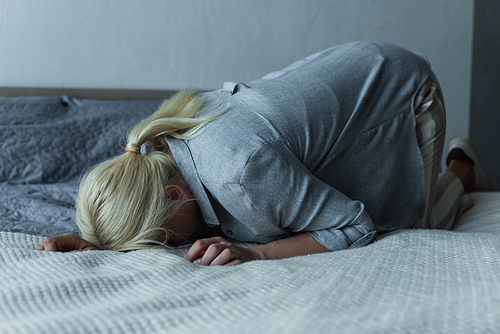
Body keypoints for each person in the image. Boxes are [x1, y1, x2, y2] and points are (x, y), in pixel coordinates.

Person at [37, 41, 493, 266]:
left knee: (413, 223)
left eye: (162, 240)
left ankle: (463, 166)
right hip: (340, 75)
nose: (172, 248)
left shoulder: (242, 173)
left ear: (175, 193)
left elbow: (356, 224)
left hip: (399, 87)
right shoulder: (156, 149)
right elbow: (143, 216)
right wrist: (97, 240)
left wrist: (256, 255)